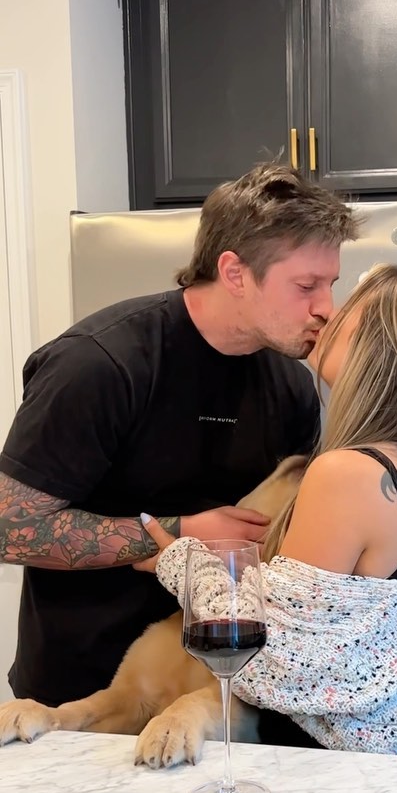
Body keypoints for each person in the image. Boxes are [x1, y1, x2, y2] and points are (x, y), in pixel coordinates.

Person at [0, 162, 358, 707]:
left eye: (330, 285)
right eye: (306, 286)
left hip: (221, 691)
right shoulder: (100, 365)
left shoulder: (291, 385)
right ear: (234, 272)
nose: (325, 308)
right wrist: (182, 533)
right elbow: (9, 529)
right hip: (81, 690)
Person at [137, 264, 397, 763]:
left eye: (345, 309)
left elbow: (273, 664)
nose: (324, 314)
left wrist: (182, 562)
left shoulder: (345, 473)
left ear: (372, 351)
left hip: (345, 772)